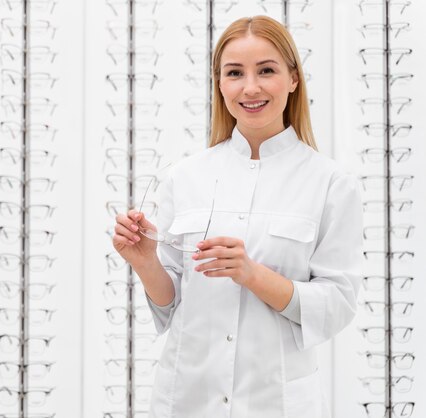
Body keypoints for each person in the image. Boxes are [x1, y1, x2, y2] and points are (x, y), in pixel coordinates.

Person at [111, 15, 363, 418]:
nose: (250, 87)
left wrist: (253, 274)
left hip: (275, 403)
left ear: (294, 78)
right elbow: (171, 302)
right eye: (234, 73)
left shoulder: (331, 184)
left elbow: (338, 305)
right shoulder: (184, 177)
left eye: (266, 70)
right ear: (219, 84)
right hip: (187, 400)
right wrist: (145, 263)